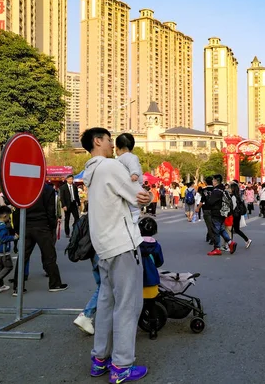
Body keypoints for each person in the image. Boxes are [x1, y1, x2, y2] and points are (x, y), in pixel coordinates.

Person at [81, 127, 151, 381]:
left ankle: (100, 359)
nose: (113, 145)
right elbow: (140, 196)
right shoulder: (110, 167)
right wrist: (149, 195)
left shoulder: (91, 171)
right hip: (122, 244)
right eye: (109, 141)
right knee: (127, 305)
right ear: (98, 141)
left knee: (106, 303)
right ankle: (122, 366)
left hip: (104, 246)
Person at [12, 183, 68, 294]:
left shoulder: (23, 187)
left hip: (26, 225)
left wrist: (18, 228)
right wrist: (52, 226)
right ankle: (55, 283)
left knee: (23, 257)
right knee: (49, 255)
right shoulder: (47, 189)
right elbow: (50, 210)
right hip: (42, 225)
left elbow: (17, 210)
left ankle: (18, 287)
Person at [73, 203, 99, 336]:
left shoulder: (90, 217)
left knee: (104, 286)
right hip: (103, 253)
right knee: (106, 286)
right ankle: (86, 315)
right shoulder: (101, 215)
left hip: (94, 255)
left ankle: (87, 315)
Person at [138, 217, 164, 340]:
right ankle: (153, 330)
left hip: (136, 279)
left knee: (134, 305)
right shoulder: (156, 246)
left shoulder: (135, 245)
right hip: (151, 279)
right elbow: (160, 262)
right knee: (152, 304)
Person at [0, 206, 18, 292]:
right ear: (5, 216)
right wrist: (14, 237)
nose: (9, 219)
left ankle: (0, 285)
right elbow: (3, 238)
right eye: (8, 217)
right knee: (9, 266)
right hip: (3, 251)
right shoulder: (2, 226)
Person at [115, 133, 144, 224]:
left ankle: (135, 213)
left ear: (117, 148)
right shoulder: (123, 158)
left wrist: (134, 174)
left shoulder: (129, 157)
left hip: (134, 182)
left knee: (133, 200)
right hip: (132, 183)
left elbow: (134, 166)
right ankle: (134, 213)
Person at [206, 174, 237, 256]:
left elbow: (210, 202)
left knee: (216, 231)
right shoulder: (223, 190)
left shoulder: (216, 191)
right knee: (221, 229)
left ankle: (217, 248)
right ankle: (230, 243)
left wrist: (208, 197)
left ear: (216, 181)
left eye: (213, 180)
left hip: (216, 213)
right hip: (223, 213)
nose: (212, 182)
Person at [230, 182, 251, 248]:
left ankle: (231, 244)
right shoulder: (238, 196)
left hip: (234, 214)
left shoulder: (233, 196)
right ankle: (246, 240)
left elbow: (233, 206)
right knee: (235, 229)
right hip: (238, 214)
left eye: (230, 188)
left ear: (233, 189)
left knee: (234, 229)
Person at [59, 174, 81, 238]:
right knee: (67, 219)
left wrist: (79, 204)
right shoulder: (63, 187)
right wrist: (64, 205)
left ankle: (76, 230)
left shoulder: (74, 187)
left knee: (77, 218)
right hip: (67, 205)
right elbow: (62, 198)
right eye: (69, 179)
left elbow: (76, 196)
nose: (70, 180)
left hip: (74, 204)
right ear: (67, 180)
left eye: (71, 179)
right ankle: (67, 233)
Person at [200, 177, 215, 244]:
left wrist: (198, 208)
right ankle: (210, 235)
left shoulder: (204, 190)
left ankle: (211, 237)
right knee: (214, 224)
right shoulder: (215, 189)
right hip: (215, 209)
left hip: (206, 208)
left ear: (206, 182)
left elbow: (202, 200)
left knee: (209, 224)